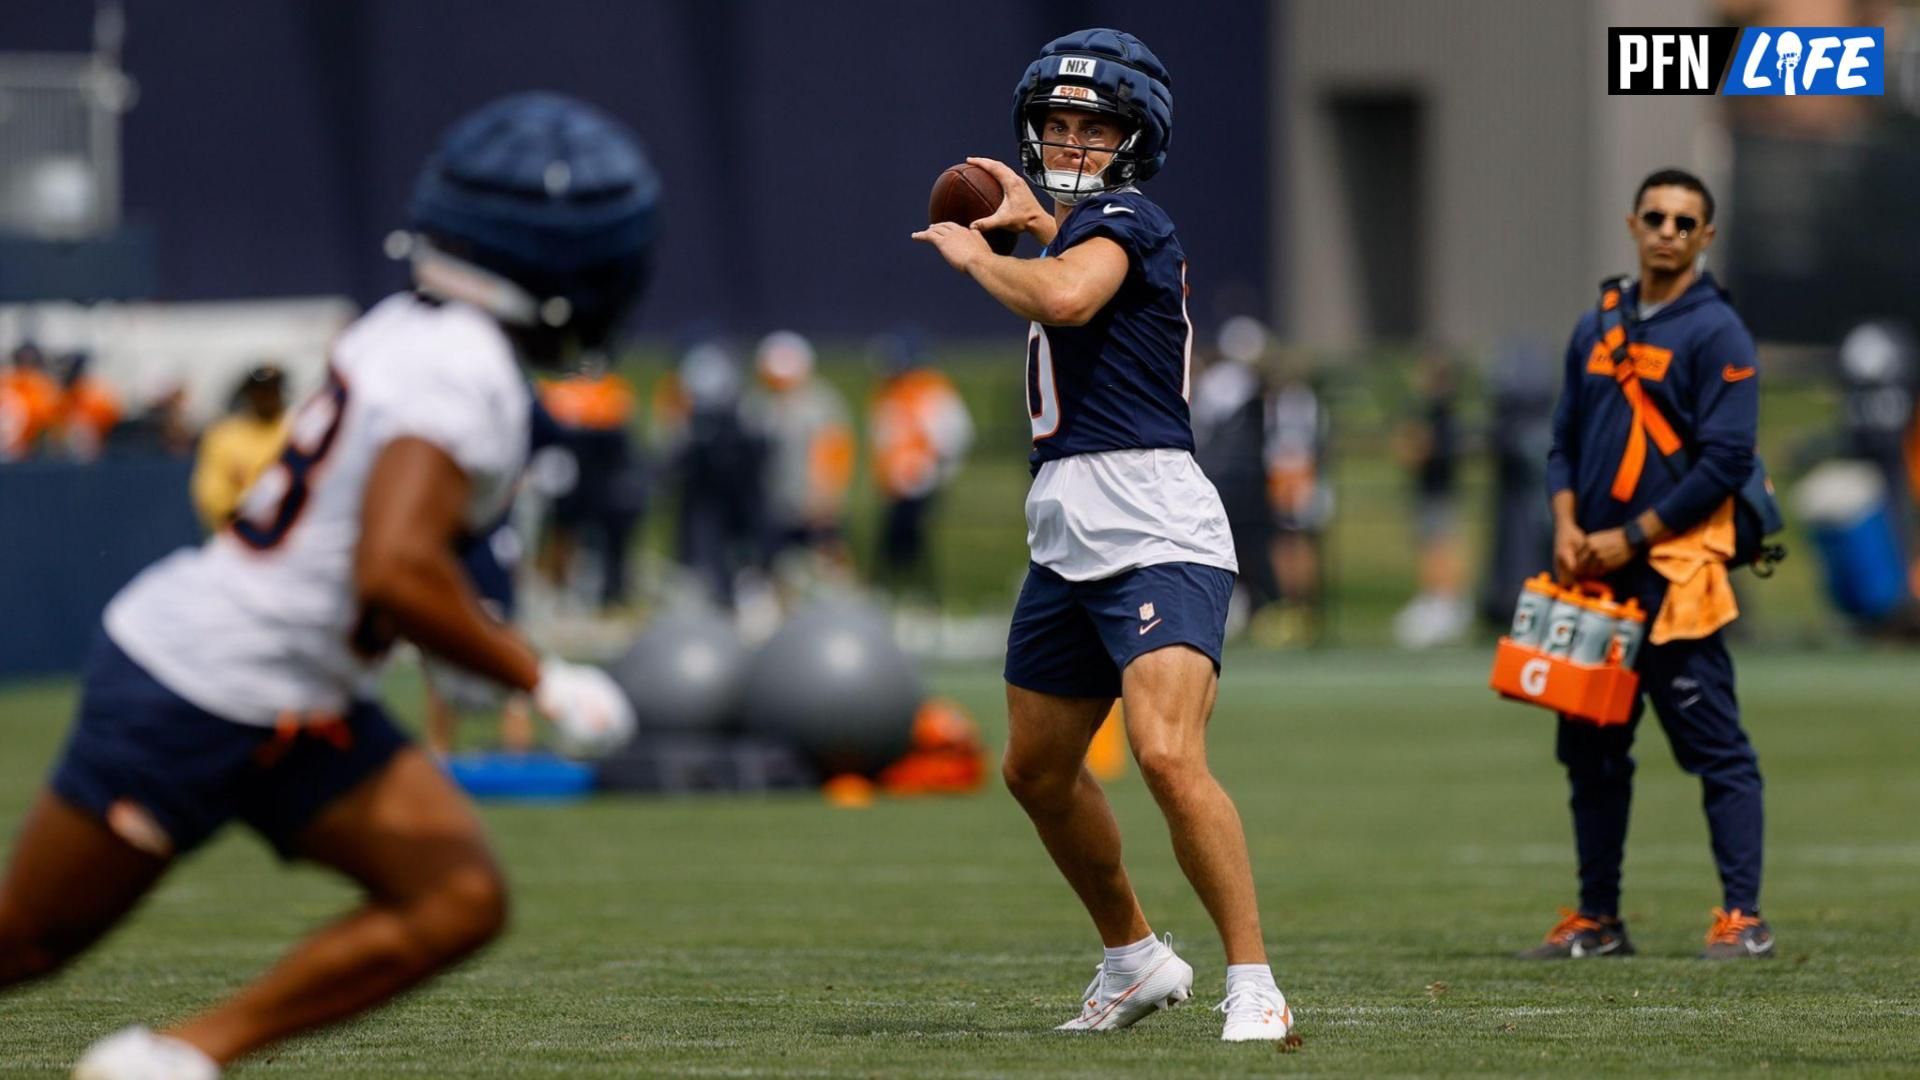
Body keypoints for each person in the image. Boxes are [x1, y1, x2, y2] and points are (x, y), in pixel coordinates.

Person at [0, 93, 652, 1077]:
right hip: (199, 684)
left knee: (457, 898)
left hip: (305, 692)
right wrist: (541, 680)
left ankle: (176, 1060)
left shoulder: (410, 325)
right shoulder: (462, 365)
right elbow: (392, 570)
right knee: (27, 943)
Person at [913, 28, 1293, 1041]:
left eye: (1094, 126)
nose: (1072, 140)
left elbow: (1070, 293)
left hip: (1154, 522)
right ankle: (1133, 956)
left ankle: (1254, 981)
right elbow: (1065, 258)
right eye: (1058, 124)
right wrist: (1035, 219)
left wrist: (973, 255)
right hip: (1067, 530)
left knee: (1166, 755)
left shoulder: (1128, 218)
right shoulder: (1079, 225)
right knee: (1034, 769)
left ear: (1135, 140)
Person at [1522, 167, 1773, 961]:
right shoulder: (1596, 324)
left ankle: (1743, 918)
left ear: (1705, 237)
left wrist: (1632, 536)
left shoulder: (1717, 332)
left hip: (1674, 576)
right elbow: (1561, 439)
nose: (1667, 231)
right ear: (1633, 224)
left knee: (1716, 748)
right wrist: (1565, 523)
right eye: (1655, 217)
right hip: (1590, 574)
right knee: (1592, 752)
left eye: (1684, 221)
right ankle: (1599, 921)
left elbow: (1726, 461)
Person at [868, 330, 974, 602]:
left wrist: (934, 473)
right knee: (893, 542)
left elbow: (954, 436)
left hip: (920, 482)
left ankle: (922, 597)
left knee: (916, 541)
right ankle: (894, 593)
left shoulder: (930, 391)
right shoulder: (890, 393)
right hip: (895, 484)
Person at [745, 330, 856, 576]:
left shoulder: (821, 405)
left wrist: (826, 493)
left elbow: (834, 451)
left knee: (826, 566)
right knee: (768, 567)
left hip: (811, 503)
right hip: (771, 504)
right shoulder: (757, 405)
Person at [190, 363, 291, 533]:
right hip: (239, 535)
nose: (267, 397)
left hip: (292, 533)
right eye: (261, 391)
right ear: (249, 394)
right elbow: (212, 497)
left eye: (272, 390)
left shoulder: (297, 431)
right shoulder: (224, 436)